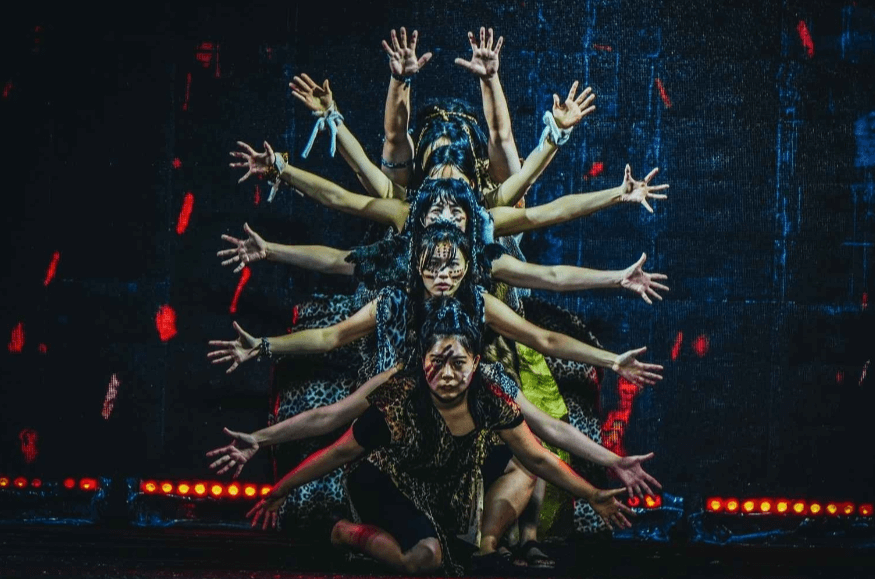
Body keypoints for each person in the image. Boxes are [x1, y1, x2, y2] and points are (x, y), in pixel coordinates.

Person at [243, 298, 634, 575]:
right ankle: (345, 532)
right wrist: (282, 488)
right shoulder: (399, 399)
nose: (448, 374)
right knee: (424, 559)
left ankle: (486, 546)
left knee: (520, 465)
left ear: (476, 363)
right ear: (423, 360)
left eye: (458, 363)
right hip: (388, 483)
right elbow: (338, 453)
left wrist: (592, 493)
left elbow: (537, 457)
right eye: (437, 362)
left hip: (446, 484)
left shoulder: (488, 396)